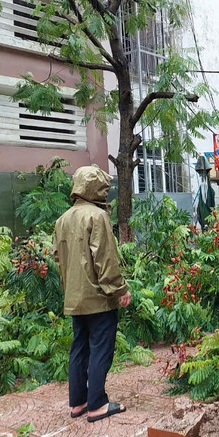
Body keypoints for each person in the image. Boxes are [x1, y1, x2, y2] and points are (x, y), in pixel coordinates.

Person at [54, 165, 132, 422]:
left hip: (74, 298)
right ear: (96, 188)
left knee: (79, 349)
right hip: (99, 297)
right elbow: (105, 260)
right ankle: (97, 404)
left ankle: (78, 403)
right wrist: (119, 289)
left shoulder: (62, 220)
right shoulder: (97, 217)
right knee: (100, 348)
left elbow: (59, 259)